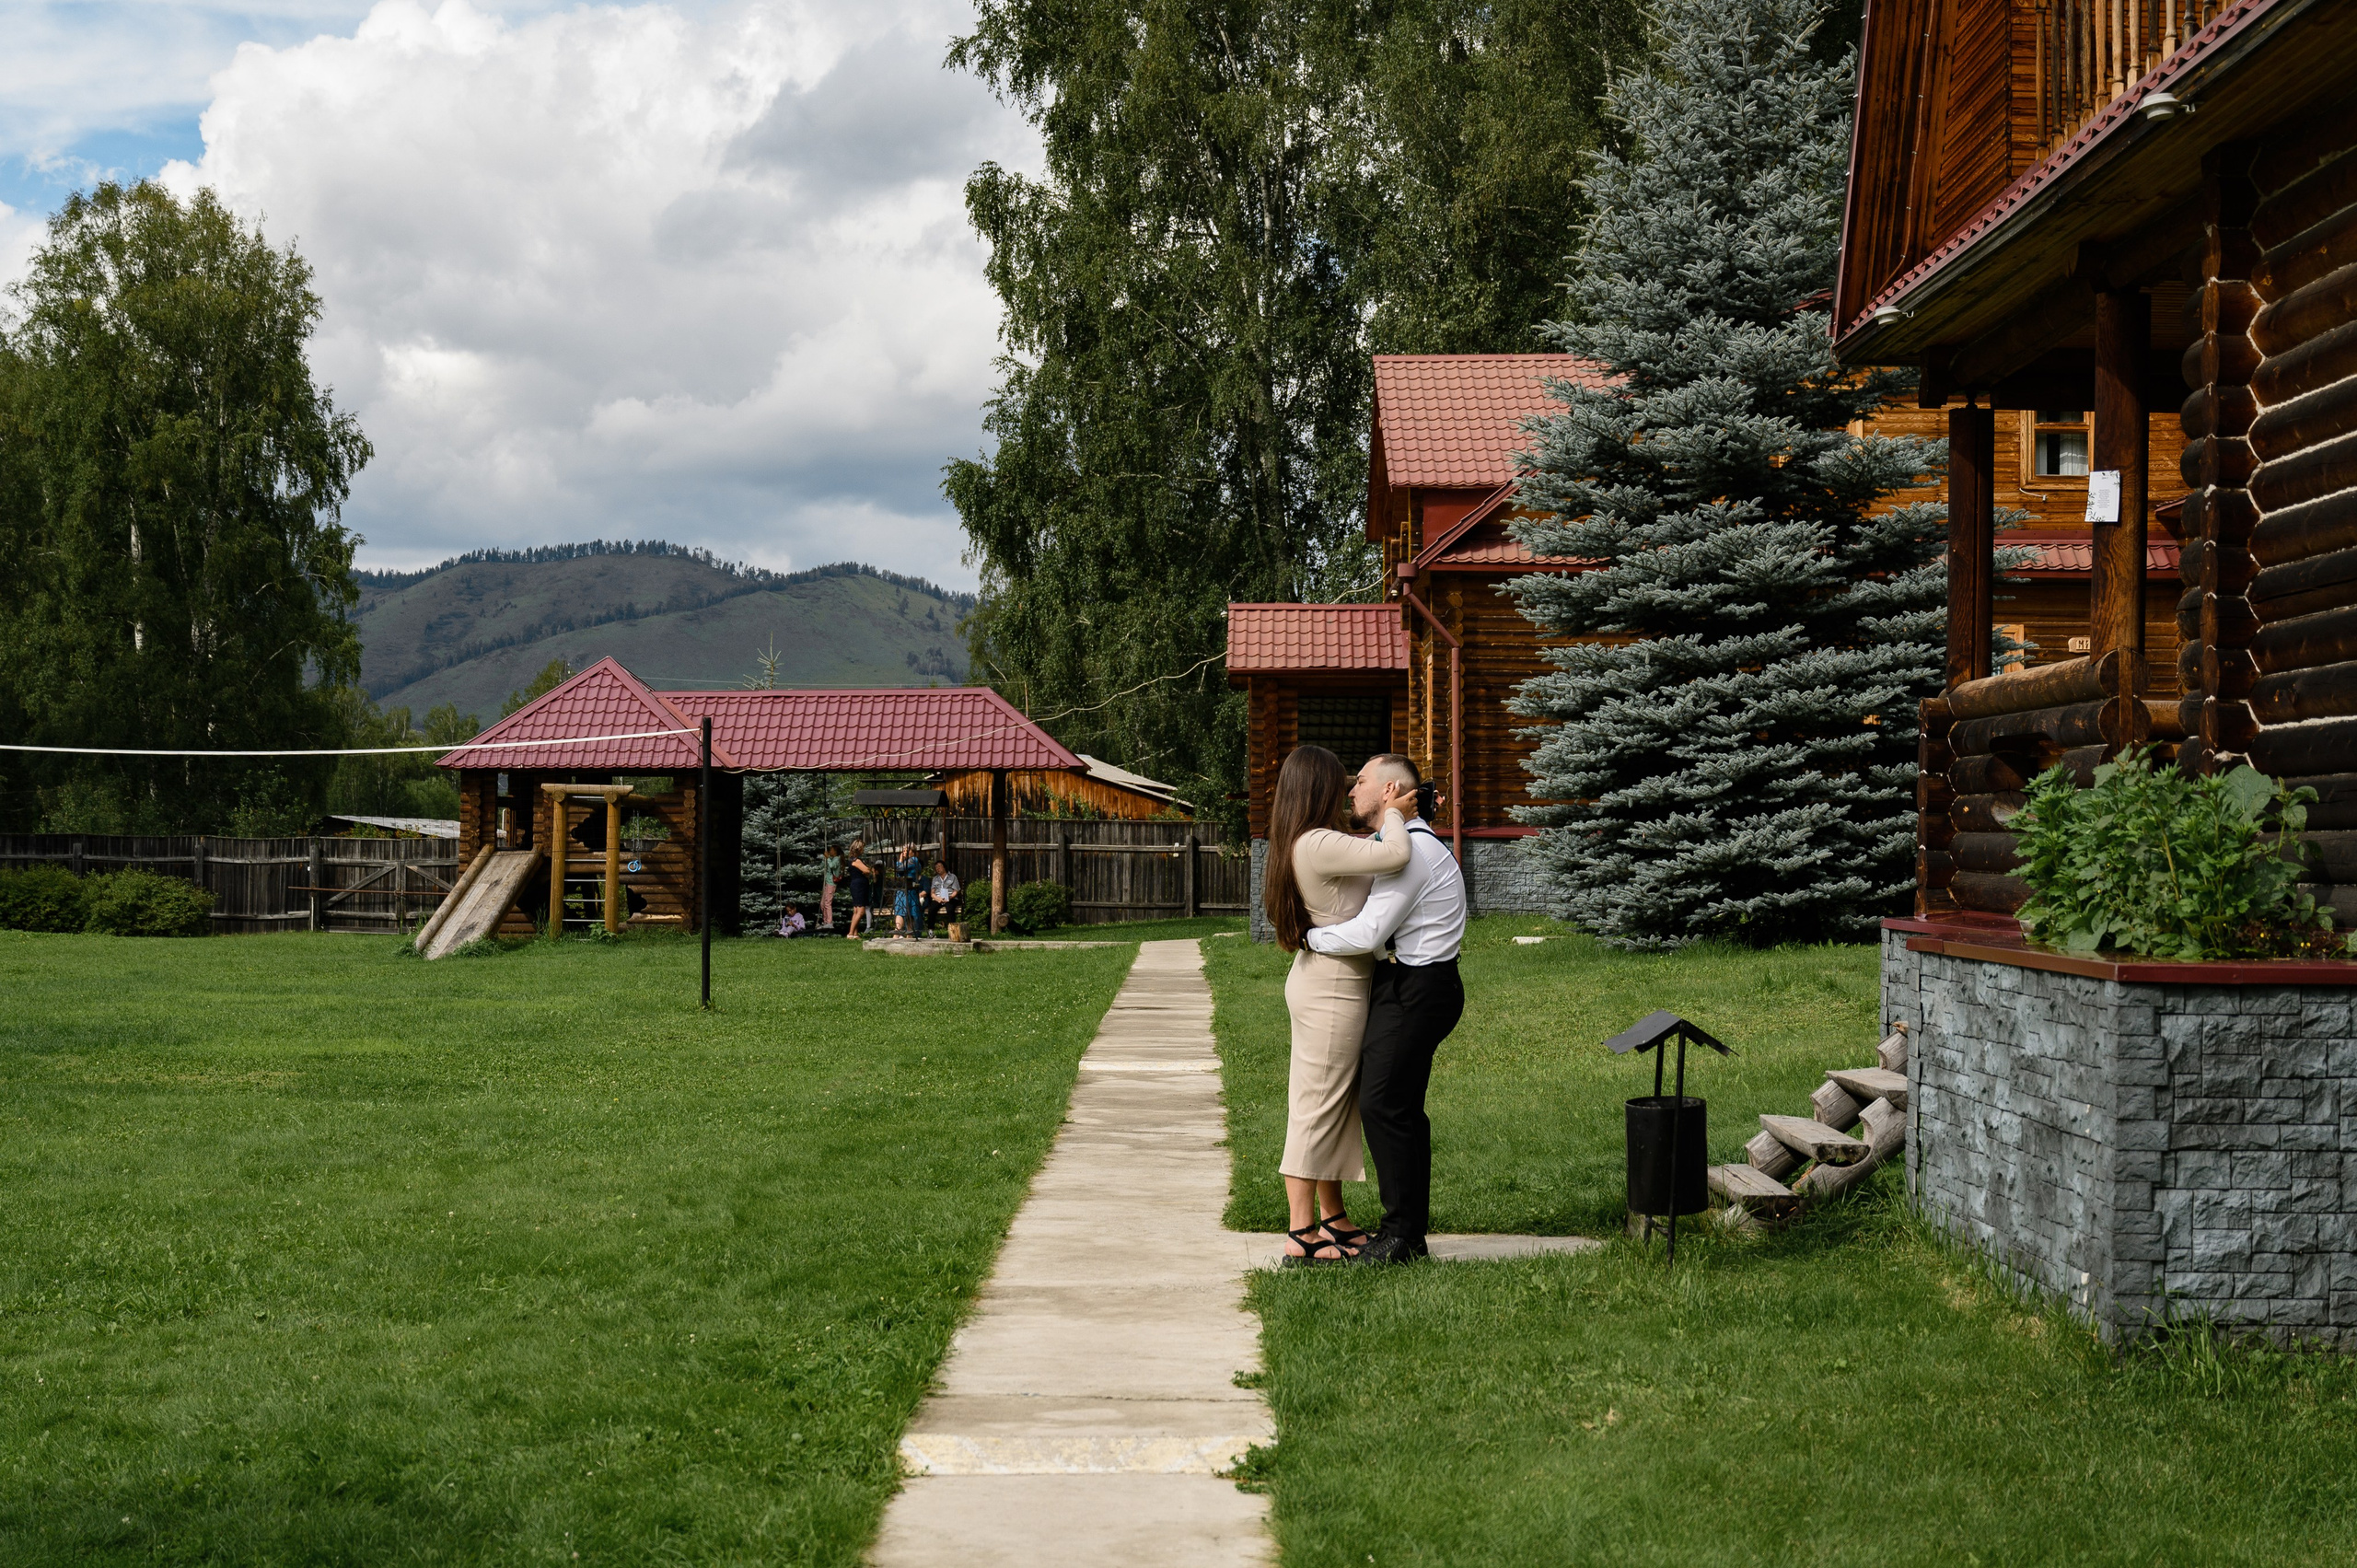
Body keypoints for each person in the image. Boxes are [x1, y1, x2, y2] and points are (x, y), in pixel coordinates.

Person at [1306, 753, 1469, 1265]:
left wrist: (1307, 937)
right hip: (1411, 983)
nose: (1351, 791)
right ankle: (1408, 1233)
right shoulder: (1401, 844)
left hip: (1417, 988)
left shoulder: (1413, 852)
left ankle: (1400, 1236)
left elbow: (1370, 933)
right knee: (1399, 1108)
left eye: (1361, 783)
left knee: (1383, 1105)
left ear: (1391, 791)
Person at [1262, 745, 1413, 1266]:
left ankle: (1333, 1218)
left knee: (1333, 1105)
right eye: (1341, 782)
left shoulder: (1312, 842)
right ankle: (1300, 1234)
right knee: (1315, 1109)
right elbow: (1394, 854)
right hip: (1331, 991)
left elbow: (1372, 855)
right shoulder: (1318, 842)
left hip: (1331, 983)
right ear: (1319, 789)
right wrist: (1396, 813)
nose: (1350, 790)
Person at [843, 839, 874, 939]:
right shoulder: (856, 861)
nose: (863, 850)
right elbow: (867, 870)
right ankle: (850, 933)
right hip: (859, 886)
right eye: (862, 848)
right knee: (861, 911)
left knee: (856, 910)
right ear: (859, 848)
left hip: (856, 885)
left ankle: (855, 934)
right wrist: (867, 872)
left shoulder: (851, 860)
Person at [893, 844, 924, 935]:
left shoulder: (913, 860)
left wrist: (899, 860)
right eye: (903, 850)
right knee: (907, 913)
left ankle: (897, 934)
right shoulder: (906, 861)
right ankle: (908, 936)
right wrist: (901, 861)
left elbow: (899, 869)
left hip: (908, 891)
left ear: (913, 852)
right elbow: (899, 873)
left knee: (903, 911)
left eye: (907, 850)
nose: (904, 852)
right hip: (903, 890)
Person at [928, 859, 962, 933]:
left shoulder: (952, 877)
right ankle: (930, 931)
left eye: (939, 866)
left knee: (950, 909)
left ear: (944, 867)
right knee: (932, 909)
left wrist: (949, 897)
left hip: (950, 898)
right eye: (936, 867)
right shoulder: (935, 879)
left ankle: (952, 931)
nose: (938, 868)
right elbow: (932, 893)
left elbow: (956, 891)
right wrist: (938, 898)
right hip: (938, 898)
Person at [819, 842, 842, 933]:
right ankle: (825, 921)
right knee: (822, 903)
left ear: (835, 851)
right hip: (827, 883)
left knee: (828, 903)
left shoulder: (836, 859)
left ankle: (829, 922)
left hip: (831, 883)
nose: (829, 851)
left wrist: (828, 858)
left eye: (831, 850)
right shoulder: (832, 859)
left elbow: (832, 866)